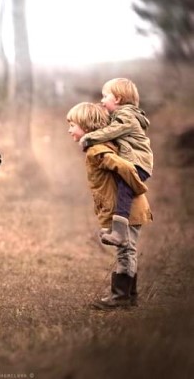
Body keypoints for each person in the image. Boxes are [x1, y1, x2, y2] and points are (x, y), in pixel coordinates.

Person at [67, 102, 153, 309]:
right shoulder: (99, 147)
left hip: (127, 210)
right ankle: (128, 297)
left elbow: (123, 166)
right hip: (128, 209)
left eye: (72, 124)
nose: (69, 129)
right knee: (128, 250)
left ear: (87, 127)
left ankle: (120, 297)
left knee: (125, 251)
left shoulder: (96, 150)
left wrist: (137, 185)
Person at [79, 78, 153, 247]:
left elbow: (113, 131)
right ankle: (112, 227)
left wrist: (89, 138)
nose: (102, 100)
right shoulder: (121, 116)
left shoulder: (126, 116)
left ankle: (119, 233)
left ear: (118, 99)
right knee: (116, 189)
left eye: (105, 97)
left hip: (138, 163)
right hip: (135, 161)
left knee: (124, 191)